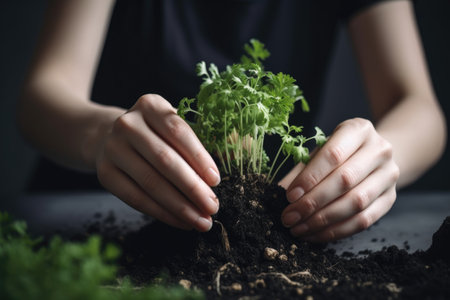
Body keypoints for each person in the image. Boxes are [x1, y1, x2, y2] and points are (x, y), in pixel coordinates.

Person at [18, 0, 446, 242]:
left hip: (273, 220)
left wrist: (381, 158)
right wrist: (100, 136)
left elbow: (419, 108)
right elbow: (42, 96)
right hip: (88, 211)